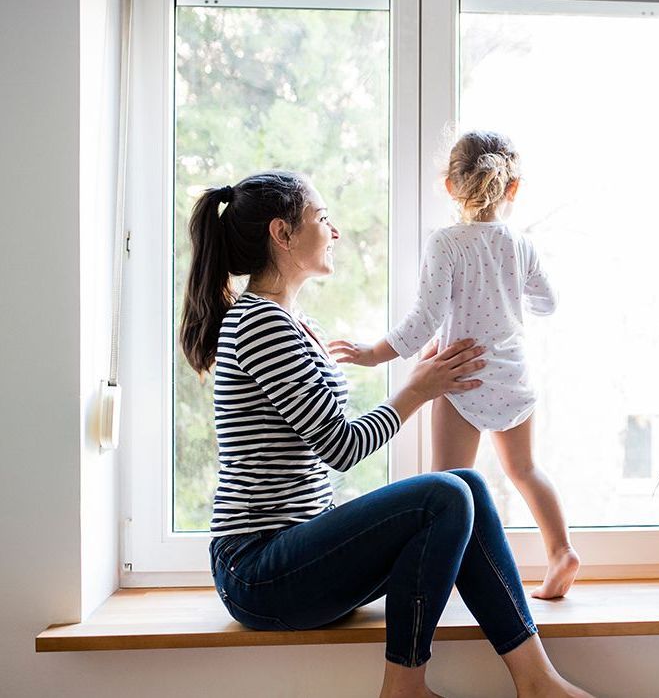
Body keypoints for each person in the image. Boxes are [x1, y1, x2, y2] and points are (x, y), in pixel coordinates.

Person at [179, 170, 592, 698]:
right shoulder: (259, 323)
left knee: (466, 484)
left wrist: (422, 381)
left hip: (295, 557)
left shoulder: (293, 321)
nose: (336, 231)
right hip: (258, 571)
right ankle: (404, 690)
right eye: (322, 218)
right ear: (282, 234)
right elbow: (341, 446)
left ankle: (538, 681)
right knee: (443, 493)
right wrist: (418, 390)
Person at [330, 131, 580, 599]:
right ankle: (561, 550)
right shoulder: (519, 244)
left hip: (459, 375)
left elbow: (423, 320)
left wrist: (370, 353)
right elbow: (548, 302)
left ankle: (445, 579)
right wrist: (507, 293)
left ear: (450, 186)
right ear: (513, 188)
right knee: (525, 470)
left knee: (446, 486)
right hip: (512, 373)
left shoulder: (445, 244)